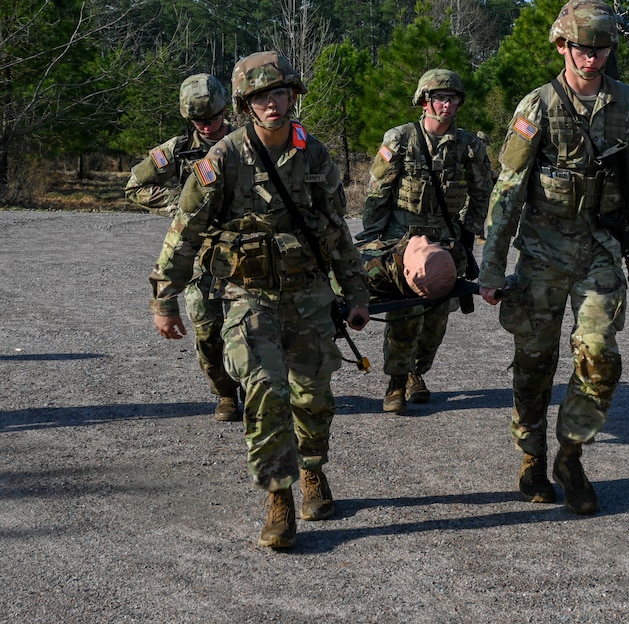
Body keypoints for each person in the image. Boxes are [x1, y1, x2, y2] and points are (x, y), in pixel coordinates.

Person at [148, 51, 371, 550]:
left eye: (281, 93)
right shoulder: (222, 158)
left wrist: (355, 291)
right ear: (246, 103)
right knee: (266, 389)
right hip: (248, 294)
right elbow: (185, 232)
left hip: (309, 294)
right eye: (261, 96)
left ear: (294, 95)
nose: (273, 103)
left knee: (314, 396)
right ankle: (279, 494)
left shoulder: (314, 154)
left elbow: (335, 229)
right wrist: (165, 299)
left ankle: (312, 469)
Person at [478, 0, 629, 515]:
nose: (593, 57)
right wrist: (492, 267)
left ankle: (571, 454)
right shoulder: (536, 107)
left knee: (600, 357)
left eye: (602, 48)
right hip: (541, 252)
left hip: (601, 250)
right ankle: (531, 457)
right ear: (562, 45)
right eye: (584, 47)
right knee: (534, 363)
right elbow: (507, 189)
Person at [357, 69, 493, 415]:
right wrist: (376, 243)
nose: (447, 105)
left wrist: (467, 233)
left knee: (435, 319)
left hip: (445, 243)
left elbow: (482, 193)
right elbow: (377, 193)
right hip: (401, 242)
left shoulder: (469, 147)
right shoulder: (401, 140)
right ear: (424, 101)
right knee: (407, 313)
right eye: (440, 98)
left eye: (452, 99)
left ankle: (418, 371)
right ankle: (396, 382)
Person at [126, 74, 242, 422]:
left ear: (226, 110)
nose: (207, 126)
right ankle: (224, 392)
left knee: (252, 327)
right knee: (207, 331)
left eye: (214, 118)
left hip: (244, 250)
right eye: (199, 121)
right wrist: (179, 203)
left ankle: (257, 388)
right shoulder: (178, 150)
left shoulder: (245, 143)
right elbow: (135, 186)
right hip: (197, 253)